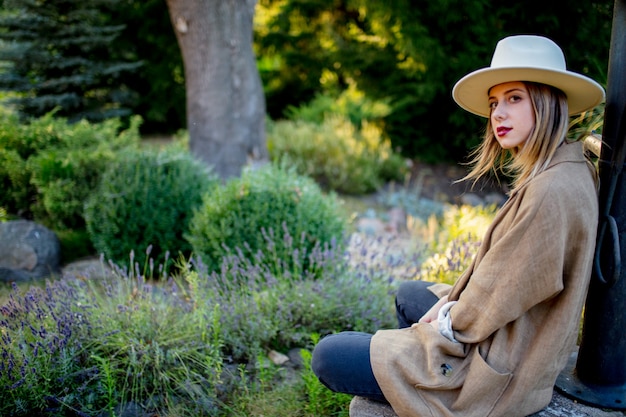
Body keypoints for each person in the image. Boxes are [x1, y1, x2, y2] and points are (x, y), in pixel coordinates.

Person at [311, 34, 605, 417]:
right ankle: (417, 380)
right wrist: (450, 306)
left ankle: (430, 386)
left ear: (548, 99)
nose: (498, 113)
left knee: (327, 356)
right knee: (409, 294)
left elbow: (503, 291)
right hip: (512, 336)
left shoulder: (551, 191)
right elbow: (505, 280)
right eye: (495, 103)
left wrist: (449, 319)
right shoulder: (564, 167)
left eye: (514, 98)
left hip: (503, 371)